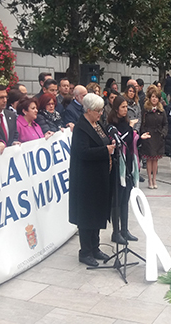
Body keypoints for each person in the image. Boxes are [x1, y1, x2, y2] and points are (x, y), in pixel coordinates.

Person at [68, 94, 115, 267]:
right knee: (87, 216)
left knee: (97, 213)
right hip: (86, 178)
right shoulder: (81, 128)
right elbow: (83, 152)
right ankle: (85, 251)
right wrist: (105, 150)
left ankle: (95, 247)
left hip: (99, 176)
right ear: (89, 110)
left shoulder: (98, 124)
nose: (101, 114)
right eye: (98, 111)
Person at [107, 96, 150, 244]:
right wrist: (132, 129)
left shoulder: (125, 123)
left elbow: (131, 139)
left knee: (125, 199)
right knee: (117, 200)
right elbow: (122, 139)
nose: (126, 110)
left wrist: (139, 138)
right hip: (118, 166)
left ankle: (125, 230)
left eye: (126, 107)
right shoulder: (112, 125)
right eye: (123, 107)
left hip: (128, 163)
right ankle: (116, 231)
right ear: (116, 108)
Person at [140, 86, 167, 189]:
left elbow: (165, 123)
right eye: (152, 97)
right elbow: (143, 123)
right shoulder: (146, 110)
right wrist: (143, 133)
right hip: (148, 135)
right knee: (149, 159)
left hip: (158, 136)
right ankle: (149, 180)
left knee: (155, 160)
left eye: (156, 97)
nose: (154, 99)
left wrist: (163, 133)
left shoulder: (161, 110)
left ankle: (154, 179)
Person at [0, 83, 19, 147]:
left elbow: (14, 134)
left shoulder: (11, 115)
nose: (5, 100)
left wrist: (14, 142)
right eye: (1, 98)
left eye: (6, 97)